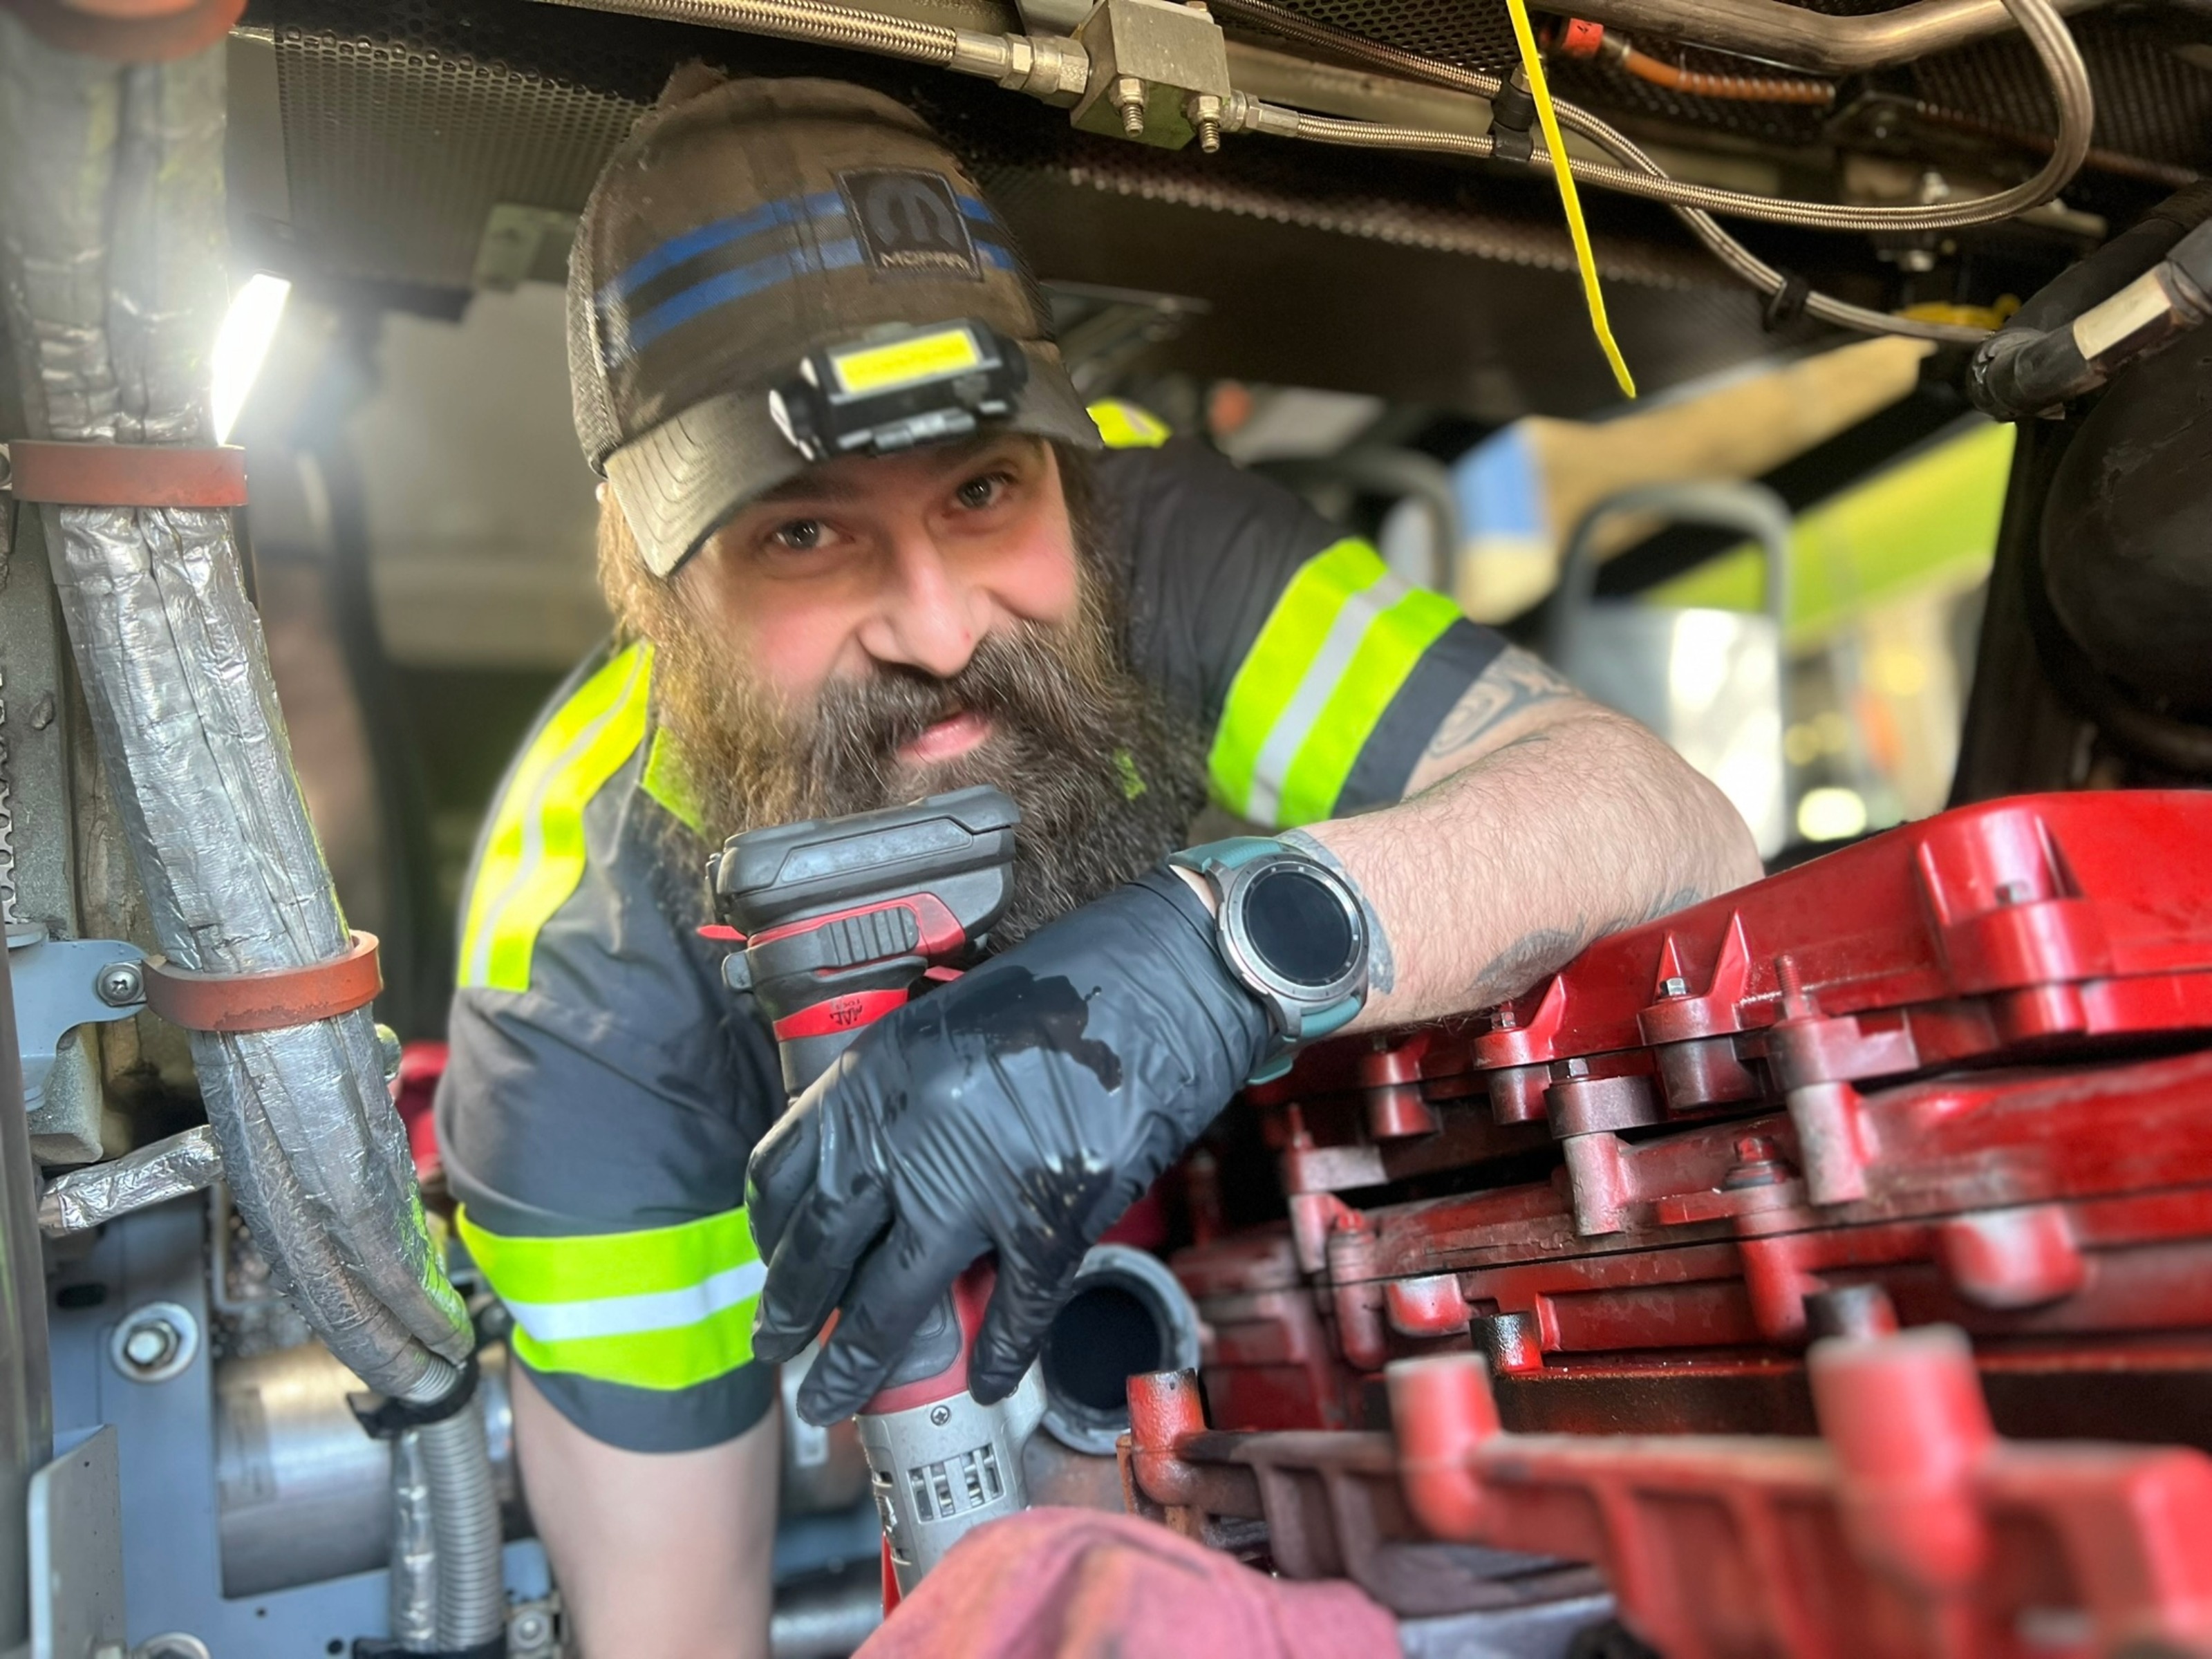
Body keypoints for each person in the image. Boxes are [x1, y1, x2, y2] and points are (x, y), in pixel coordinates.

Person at [435, 68, 1762, 1659]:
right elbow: (676, 1627)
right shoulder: (574, 980)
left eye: (983, 490)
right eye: (803, 532)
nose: (940, 630)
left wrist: (1219, 954)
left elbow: (1672, 825)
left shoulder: (1157, 538)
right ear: (650, 583)